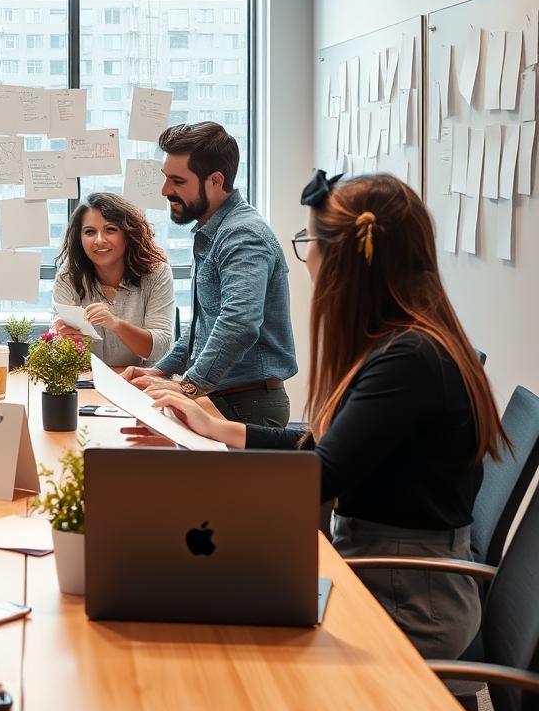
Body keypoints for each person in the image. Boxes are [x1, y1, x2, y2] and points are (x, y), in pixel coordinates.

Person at [129, 171, 507, 660]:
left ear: (349, 259)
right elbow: (330, 452)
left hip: (408, 597)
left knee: (223, 642)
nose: (306, 257)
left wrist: (198, 479)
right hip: (381, 568)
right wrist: (221, 431)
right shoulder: (402, 344)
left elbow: (318, 477)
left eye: (310, 241)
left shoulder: (408, 359)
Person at [122, 122, 297, 426]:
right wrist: (161, 370)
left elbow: (239, 322)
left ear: (215, 181)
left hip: (246, 405)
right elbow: (205, 327)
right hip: (225, 398)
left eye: (177, 181)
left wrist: (188, 386)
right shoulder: (214, 231)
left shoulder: (243, 235)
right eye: (166, 179)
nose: (165, 191)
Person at [50, 192, 175, 368]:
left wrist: (115, 324)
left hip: (139, 382)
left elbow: (160, 347)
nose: (99, 240)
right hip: (85, 380)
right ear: (80, 238)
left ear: (127, 233)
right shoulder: (69, 274)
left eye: (110, 230)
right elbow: (56, 338)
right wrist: (60, 336)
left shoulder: (157, 273)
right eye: (90, 232)